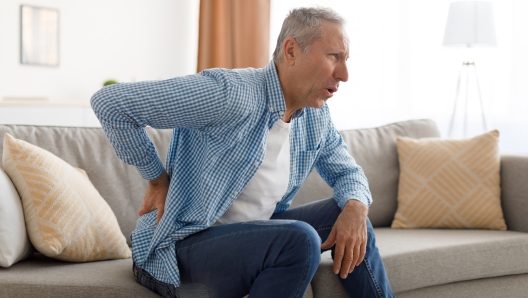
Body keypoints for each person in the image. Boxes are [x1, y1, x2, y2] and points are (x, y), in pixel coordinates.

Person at [91, 6, 394, 298]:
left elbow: (348, 173)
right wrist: (156, 178)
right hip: (179, 249)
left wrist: (356, 207)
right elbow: (111, 104)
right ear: (291, 51)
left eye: (346, 59)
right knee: (299, 239)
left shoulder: (315, 116)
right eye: (334, 57)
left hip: (247, 240)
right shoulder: (230, 93)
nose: (344, 74)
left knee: (352, 215)